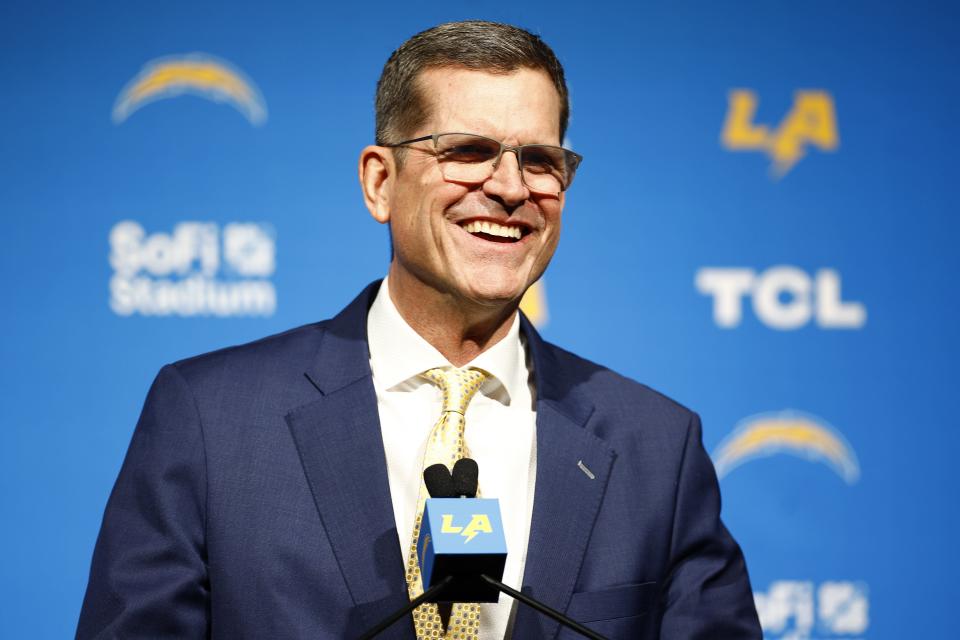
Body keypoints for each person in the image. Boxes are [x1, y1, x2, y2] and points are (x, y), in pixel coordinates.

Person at [78, 20, 761, 640]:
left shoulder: (656, 447)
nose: (510, 188)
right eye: (468, 151)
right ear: (380, 182)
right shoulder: (210, 418)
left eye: (541, 160)